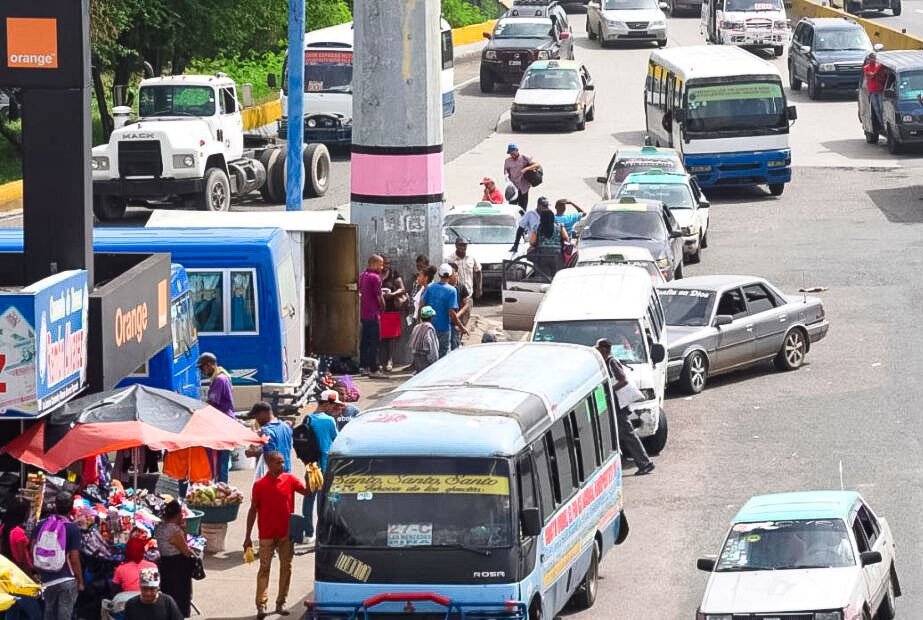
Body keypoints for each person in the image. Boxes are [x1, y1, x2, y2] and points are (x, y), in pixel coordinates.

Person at [245, 452, 308, 619]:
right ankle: (261, 605)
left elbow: (307, 492)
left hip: (286, 534)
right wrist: (247, 536)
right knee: (264, 568)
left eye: (283, 462)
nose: (283, 466)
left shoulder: (290, 479)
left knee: (286, 568)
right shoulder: (259, 485)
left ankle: (281, 602)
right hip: (266, 534)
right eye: (279, 463)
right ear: (269, 464)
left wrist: (312, 476)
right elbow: (252, 510)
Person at [595, 339, 655, 476]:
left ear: (604, 349)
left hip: (618, 406)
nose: (597, 351)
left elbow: (623, 380)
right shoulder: (607, 362)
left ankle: (645, 463)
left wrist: (609, 389)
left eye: (598, 349)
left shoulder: (611, 362)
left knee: (628, 434)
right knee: (619, 434)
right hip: (615, 405)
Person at [35, 492, 83, 620]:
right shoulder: (73, 529)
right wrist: (80, 581)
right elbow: (74, 558)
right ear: (72, 507)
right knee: (65, 616)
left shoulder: (41, 525)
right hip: (67, 579)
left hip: (47, 579)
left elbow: (33, 548)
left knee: (49, 613)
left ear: (55, 505)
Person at [299, 404, 338, 543]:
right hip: (325, 467)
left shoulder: (307, 419)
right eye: (333, 405)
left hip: (310, 465)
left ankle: (308, 533)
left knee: (308, 498)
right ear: (327, 404)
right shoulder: (329, 420)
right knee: (323, 501)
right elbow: (336, 440)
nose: (334, 409)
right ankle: (321, 533)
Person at [197, 352, 235, 483]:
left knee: (221, 461)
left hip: (223, 424)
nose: (203, 371)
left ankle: (221, 487)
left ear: (209, 365)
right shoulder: (221, 376)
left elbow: (212, 403)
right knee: (221, 460)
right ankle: (221, 484)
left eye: (203, 368)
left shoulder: (219, 380)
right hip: (224, 422)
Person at [153, 501, 195, 618]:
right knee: (179, 597)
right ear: (178, 515)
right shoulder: (174, 530)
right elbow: (186, 551)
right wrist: (184, 530)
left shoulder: (160, 528)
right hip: (177, 568)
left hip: (165, 565)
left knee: (168, 594)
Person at [422, 264, 468, 358]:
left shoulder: (430, 287)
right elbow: (452, 313)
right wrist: (461, 327)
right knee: (443, 356)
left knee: (431, 355)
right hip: (444, 329)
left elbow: (422, 304)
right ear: (450, 276)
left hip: (430, 327)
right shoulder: (452, 290)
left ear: (439, 275)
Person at [245, 401, 293, 474]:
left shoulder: (266, 431)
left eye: (257, 416)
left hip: (275, 475)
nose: (256, 420)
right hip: (287, 471)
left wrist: (253, 453)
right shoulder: (286, 427)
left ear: (264, 413)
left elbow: (271, 456)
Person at [358, 255, 385, 378]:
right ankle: (374, 369)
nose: (382, 267)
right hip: (373, 314)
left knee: (365, 341)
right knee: (375, 342)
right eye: (380, 264)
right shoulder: (375, 278)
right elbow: (379, 297)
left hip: (364, 313)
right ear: (373, 263)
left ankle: (363, 366)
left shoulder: (362, 276)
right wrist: (382, 307)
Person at [379, 256, 407, 372]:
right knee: (379, 336)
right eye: (384, 264)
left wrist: (392, 294)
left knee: (391, 337)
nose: (386, 266)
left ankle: (390, 360)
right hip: (379, 309)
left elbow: (402, 289)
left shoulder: (393, 274)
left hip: (391, 308)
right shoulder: (376, 274)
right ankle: (379, 361)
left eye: (388, 263)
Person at [529, 202, 569, 278]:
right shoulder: (559, 226)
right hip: (557, 255)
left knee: (544, 278)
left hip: (542, 256)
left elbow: (532, 242)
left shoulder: (538, 227)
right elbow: (566, 238)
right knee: (557, 278)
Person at [1, 496, 35, 578]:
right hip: (16, 572)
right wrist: (31, 577)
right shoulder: (18, 532)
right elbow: (23, 560)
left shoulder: (3, 527)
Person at [503, 144, 540, 211]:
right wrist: (506, 176)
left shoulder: (525, 157)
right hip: (514, 187)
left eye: (513, 153)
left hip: (524, 188)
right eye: (510, 153)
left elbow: (537, 165)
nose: (512, 155)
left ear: (517, 150)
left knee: (522, 208)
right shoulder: (507, 161)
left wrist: (526, 169)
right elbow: (506, 170)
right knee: (512, 207)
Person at [409, 306, 440, 372]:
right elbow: (433, 348)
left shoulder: (416, 327)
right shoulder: (429, 328)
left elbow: (411, 344)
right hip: (426, 359)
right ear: (431, 317)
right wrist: (435, 362)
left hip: (416, 358)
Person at [448, 263, 471, 351]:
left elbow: (466, 304)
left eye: (452, 273)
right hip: (447, 321)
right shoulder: (446, 287)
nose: (449, 276)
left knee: (455, 345)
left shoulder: (461, 287)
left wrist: (458, 314)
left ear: (456, 273)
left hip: (456, 321)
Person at [864, 52, 886, 129]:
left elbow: (879, 75)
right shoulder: (866, 67)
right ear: (869, 59)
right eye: (871, 58)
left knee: (881, 108)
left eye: (874, 58)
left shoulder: (879, 66)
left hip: (880, 89)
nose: (873, 60)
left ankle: (883, 124)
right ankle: (882, 124)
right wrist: (874, 73)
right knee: (876, 109)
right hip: (872, 90)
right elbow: (870, 75)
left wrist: (874, 73)